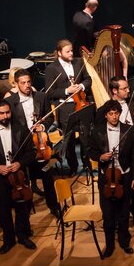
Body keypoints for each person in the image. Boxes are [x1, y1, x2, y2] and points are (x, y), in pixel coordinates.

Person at [0, 99, 36, 254]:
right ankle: (8, 239)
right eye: (1, 113)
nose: (5, 116)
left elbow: (31, 152)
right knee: (3, 210)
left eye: (7, 112)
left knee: (23, 207)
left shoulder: (21, 129)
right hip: (0, 179)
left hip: (19, 176)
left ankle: (22, 235)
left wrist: (20, 164)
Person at [89, 100, 134, 258]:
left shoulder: (130, 130)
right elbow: (90, 151)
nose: (114, 116)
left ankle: (124, 242)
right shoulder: (96, 131)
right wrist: (100, 157)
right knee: (108, 214)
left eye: (116, 113)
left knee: (124, 212)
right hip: (106, 178)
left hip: (124, 175)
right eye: (111, 114)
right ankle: (110, 244)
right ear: (106, 115)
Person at [6, 68, 59, 218]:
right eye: (23, 83)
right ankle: (26, 211)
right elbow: (8, 125)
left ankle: (53, 206)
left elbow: (50, 118)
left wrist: (43, 126)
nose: (27, 85)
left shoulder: (41, 97)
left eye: (29, 82)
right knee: (24, 179)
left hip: (41, 144)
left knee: (48, 174)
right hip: (23, 148)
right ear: (16, 85)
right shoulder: (10, 102)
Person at [43, 39, 92, 174]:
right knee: (69, 139)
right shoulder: (51, 69)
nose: (71, 53)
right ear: (59, 53)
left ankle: (87, 164)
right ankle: (73, 167)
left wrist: (81, 86)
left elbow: (88, 79)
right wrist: (67, 91)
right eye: (68, 51)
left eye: (71, 50)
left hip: (82, 104)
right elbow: (50, 93)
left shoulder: (79, 62)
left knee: (85, 137)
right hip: (65, 108)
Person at [109, 75, 134, 226]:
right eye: (124, 88)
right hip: (119, 154)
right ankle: (120, 216)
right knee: (122, 186)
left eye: (127, 87)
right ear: (114, 91)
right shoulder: (109, 107)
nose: (128, 90)